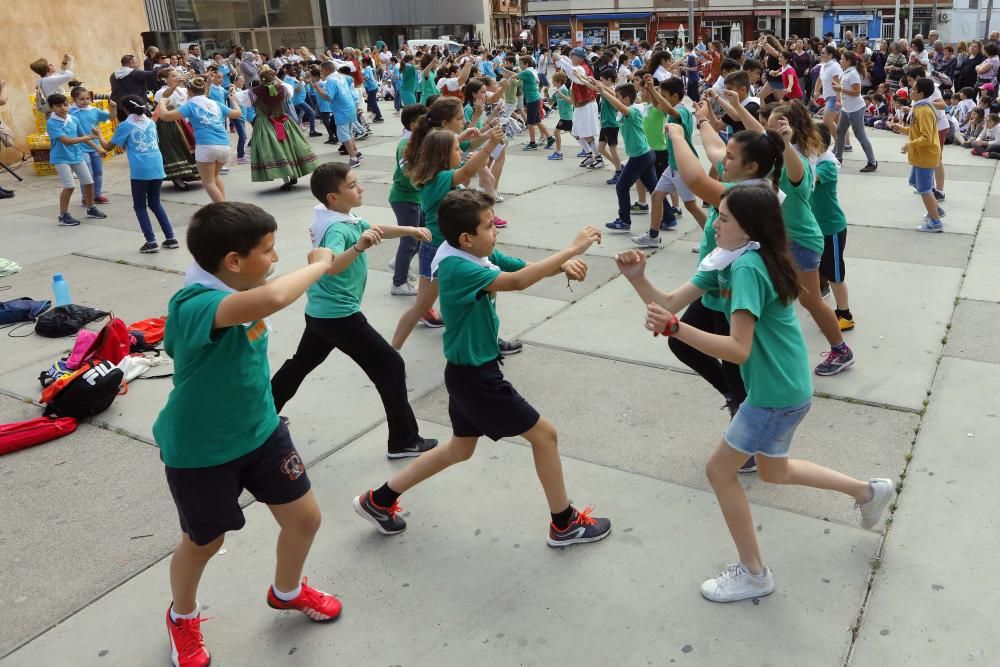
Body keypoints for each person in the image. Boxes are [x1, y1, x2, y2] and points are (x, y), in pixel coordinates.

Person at [614, 185, 892, 603]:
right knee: (773, 471)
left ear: (747, 228)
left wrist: (676, 329)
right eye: (716, 215)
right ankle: (869, 492)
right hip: (784, 386)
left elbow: (737, 348)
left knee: (719, 471)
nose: (714, 223)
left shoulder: (746, 268)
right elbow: (669, 302)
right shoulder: (729, 260)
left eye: (723, 218)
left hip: (774, 393)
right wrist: (639, 280)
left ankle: (754, 573)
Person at [353, 189, 612, 548]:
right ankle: (564, 524)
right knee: (545, 436)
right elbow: (518, 282)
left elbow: (515, 266)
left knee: (459, 449)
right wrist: (571, 250)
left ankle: (378, 500)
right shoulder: (459, 267)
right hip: (477, 380)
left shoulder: (469, 253)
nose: (497, 232)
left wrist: (559, 266)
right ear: (466, 238)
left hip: (466, 374)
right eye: (490, 227)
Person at [153, 201, 343, 667]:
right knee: (204, 543)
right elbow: (277, 298)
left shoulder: (241, 284)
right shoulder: (195, 303)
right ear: (233, 261)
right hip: (202, 450)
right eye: (268, 251)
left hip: (261, 431)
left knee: (304, 519)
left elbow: (281, 287)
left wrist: (344, 247)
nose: (276, 260)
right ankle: (182, 617)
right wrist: (317, 264)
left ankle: (287, 590)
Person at [270, 163, 436, 458]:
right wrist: (358, 248)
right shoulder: (336, 228)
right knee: (391, 366)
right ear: (333, 197)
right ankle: (404, 440)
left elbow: (373, 230)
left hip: (321, 311)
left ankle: (261, 419)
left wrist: (409, 229)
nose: (360, 189)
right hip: (339, 315)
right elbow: (330, 267)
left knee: (300, 364)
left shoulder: (335, 215)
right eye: (352, 185)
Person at [390, 118, 507, 350]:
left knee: (480, 297)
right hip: (440, 250)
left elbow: (469, 171)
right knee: (423, 306)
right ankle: (391, 350)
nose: (461, 152)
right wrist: (490, 144)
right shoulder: (439, 179)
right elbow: (467, 171)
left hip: (456, 248)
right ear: (443, 155)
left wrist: (471, 142)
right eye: (456, 149)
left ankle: (490, 339)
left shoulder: (438, 176)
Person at [634, 76, 707, 249]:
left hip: (684, 167)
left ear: (675, 97)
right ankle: (653, 236)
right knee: (656, 197)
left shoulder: (682, 111)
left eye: (665, 95)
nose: (663, 98)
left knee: (691, 206)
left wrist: (653, 90)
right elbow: (660, 106)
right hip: (673, 166)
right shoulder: (672, 106)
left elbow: (668, 109)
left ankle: (714, 241)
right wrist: (652, 90)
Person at [99, 95, 178, 253]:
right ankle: (170, 238)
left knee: (140, 206)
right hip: (156, 166)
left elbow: (108, 147)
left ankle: (150, 241)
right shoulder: (150, 122)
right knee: (155, 203)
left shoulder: (125, 125)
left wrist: (98, 134)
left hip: (140, 170)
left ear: (126, 109)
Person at [158, 76, 242, 202]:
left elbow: (165, 116)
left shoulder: (190, 105)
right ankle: (223, 205)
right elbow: (237, 114)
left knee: (208, 182)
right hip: (225, 145)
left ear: (189, 91)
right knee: (214, 176)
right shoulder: (216, 103)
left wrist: (162, 103)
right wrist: (234, 101)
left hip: (206, 146)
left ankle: (223, 210)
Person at [236, 67, 320, 190]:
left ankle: (286, 179)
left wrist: (233, 88)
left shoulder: (253, 92)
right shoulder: (283, 88)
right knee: (288, 146)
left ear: (261, 80)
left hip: (265, 123)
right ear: (273, 78)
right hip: (283, 121)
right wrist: (276, 78)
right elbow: (286, 86)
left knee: (276, 150)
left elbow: (239, 98)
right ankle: (293, 176)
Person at [812, 124, 854, 331]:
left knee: (836, 275)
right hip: (816, 227)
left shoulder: (826, 164)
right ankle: (822, 289)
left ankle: (844, 314)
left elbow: (809, 179)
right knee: (821, 268)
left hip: (831, 228)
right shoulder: (814, 160)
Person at [45, 93, 107, 226]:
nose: (63, 108)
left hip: (76, 156)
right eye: (58, 106)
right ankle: (63, 215)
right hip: (61, 158)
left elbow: (82, 135)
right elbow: (66, 141)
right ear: (51, 108)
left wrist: (98, 149)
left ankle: (91, 208)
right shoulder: (51, 123)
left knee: (89, 182)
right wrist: (88, 138)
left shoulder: (73, 119)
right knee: (69, 186)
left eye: (65, 104)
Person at [388, 104, 428, 296]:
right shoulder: (406, 145)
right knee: (410, 241)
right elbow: (408, 173)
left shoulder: (416, 141)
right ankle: (399, 282)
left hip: (413, 197)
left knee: (420, 237)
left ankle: (399, 263)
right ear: (413, 125)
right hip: (405, 198)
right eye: (424, 121)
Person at [907, 77, 946, 232]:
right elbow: (916, 130)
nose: (910, 90)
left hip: (926, 155)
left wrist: (909, 144)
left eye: (913, 89)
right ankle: (937, 210)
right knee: (915, 182)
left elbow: (926, 137)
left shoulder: (923, 110)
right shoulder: (919, 107)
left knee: (924, 189)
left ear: (921, 93)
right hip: (920, 155)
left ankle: (935, 222)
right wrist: (901, 129)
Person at [154, 68, 200, 190]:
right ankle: (177, 178)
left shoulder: (182, 89)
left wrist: (192, 79)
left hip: (182, 121)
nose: (176, 78)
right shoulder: (161, 92)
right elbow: (164, 98)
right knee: (174, 149)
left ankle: (191, 173)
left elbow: (194, 96)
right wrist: (174, 86)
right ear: (165, 79)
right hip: (168, 123)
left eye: (176, 75)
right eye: (173, 76)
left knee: (189, 146)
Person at [833, 51, 878, 172]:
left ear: (848, 61)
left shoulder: (853, 73)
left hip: (855, 109)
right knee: (840, 132)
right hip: (847, 108)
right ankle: (838, 157)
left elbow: (857, 92)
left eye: (842, 59)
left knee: (860, 135)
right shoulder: (846, 72)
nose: (840, 61)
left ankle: (872, 162)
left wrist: (840, 89)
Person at [557, 47, 601, 167]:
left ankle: (598, 158)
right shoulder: (580, 66)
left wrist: (561, 60)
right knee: (576, 133)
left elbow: (572, 72)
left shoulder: (581, 68)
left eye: (572, 56)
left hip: (586, 106)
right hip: (580, 106)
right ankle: (589, 155)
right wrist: (563, 59)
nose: (571, 58)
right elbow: (571, 68)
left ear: (579, 57)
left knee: (587, 135)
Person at [69, 86, 111, 205]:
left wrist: (113, 107)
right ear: (74, 99)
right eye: (82, 99)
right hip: (81, 146)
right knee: (87, 174)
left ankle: (97, 195)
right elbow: (81, 134)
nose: (86, 101)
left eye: (88, 98)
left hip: (95, 145)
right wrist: (98, 148)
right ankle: (86, 197)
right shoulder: (72, 114)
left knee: (98, 172)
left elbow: (111, 117)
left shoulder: (94, 110)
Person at [518, 55, 554, 151]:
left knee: (530, 123)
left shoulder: (526, 72)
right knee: (537, 121)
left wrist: (504, 70)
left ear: (526, 64)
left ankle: (532, 143)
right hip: (535, 98)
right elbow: (537, 81)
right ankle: (550, 138)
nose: (519, 65)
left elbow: (514, 76)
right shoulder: (532, 70)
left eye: (520, 64)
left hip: (532, 100)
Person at [110, 54, 159, 120]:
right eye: (136, 62)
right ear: (131, 63)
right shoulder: (134, 73)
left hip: (120, 108)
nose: (138, 64)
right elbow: (152, 75)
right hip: (135, 108)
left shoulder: (113, 75)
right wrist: (165, 65)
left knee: (127, 127)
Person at [547, 71, 574, 160]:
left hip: (567, 116)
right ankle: (587, 149)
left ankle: (558, 153)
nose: (552, 82)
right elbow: (551, 102)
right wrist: (546, 94)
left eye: (553, 81)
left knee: (556, 132)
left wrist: (562, 95)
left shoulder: (564, 90)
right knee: (575, 134)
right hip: (564, 116)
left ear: (558, 81)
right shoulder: (558, 90)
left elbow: (571, 101)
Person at [361, 57, 384, 122]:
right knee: (371, 102)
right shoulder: (367, 68)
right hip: (372, 87)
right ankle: (376, 114)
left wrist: (360, 76)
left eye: (362, 63)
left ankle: (379, 116)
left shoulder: (367, 69)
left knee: (373, 103)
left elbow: (366, 78)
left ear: (365, 63)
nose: (361, 65)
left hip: (372, 88)